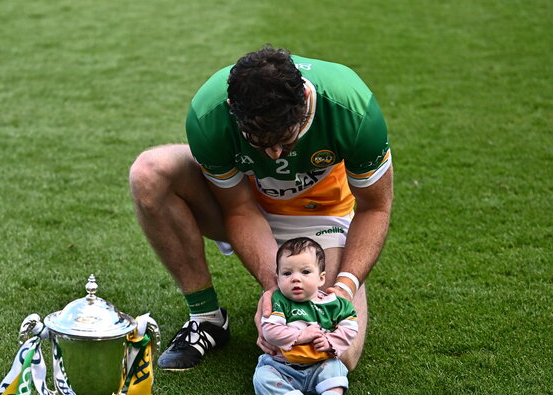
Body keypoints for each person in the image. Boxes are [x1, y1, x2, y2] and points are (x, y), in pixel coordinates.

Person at [129, 45, 393, 371]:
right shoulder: (209, 114)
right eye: (259, 141)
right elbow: (239, 209)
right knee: (149, 173)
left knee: (333, 355)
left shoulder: (350, 107)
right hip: (248, 206)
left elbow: (375, 208)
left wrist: (343, 288)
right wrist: (275, 291)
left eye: (287, 139)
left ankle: (332, 271)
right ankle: (206, 318)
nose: (275, 154)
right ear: (232, 108)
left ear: (304, 101)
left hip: (320, 216)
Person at [253, 237, 357, 395]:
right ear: (278, 278)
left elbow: (350, 327)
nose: (295, 278)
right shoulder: (278, 302)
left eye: (305, 272)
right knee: (262, 377)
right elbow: (270, 330)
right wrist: (301, 336)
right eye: (287, 273)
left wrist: (330, 341)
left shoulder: (334, 304)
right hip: (283, 367)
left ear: (321, 278)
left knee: (337, 368)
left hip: (320, 365)